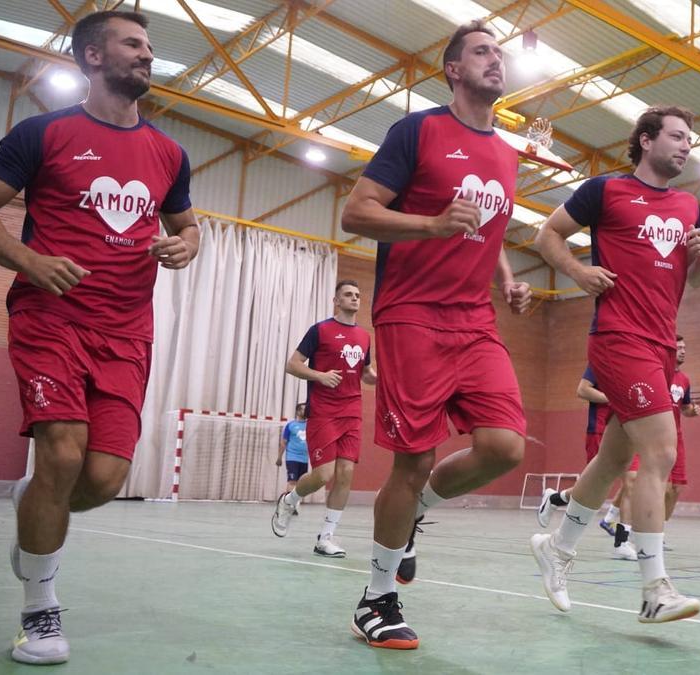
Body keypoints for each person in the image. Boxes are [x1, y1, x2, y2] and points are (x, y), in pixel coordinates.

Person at [0, 10, 198, 665]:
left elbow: (190, 225)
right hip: (51, 316)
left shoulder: (169, 152)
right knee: (60, 454)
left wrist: (185, 245)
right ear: (91, 56)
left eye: (149, 46)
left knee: (104, 478)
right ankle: (40, 608)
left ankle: (33, 517)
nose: (147, 55)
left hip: (127, 331)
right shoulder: (43, 133)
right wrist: (27, 261)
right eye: (133, 44)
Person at [338, 20, 532, 649]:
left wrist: (506, 277)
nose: (495, 61)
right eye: (482, 52)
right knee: (413, 459)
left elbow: (486, 224)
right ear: (453, 69)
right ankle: (377, 597)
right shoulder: (417, 130)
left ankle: (415, 514)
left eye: (499, 54)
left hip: (475, 318)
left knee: (506, 447)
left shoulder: (508, 152)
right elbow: (357, 211)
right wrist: (431, 224)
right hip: (411, 312)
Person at [530, 105, 700, 624]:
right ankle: (655, 587)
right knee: (659, 452)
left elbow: (692, 282)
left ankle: (557, 549)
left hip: (659, 344)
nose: (685, 146)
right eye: (677, 136)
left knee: (613, 461)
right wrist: (576, 272)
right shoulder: (604, 191)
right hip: (618, 338)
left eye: (689, 139)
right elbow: (546, 235)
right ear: (647, 140)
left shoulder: (688, 205)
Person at [271, 281, 377, 557]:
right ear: (336, 300)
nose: (354, 299)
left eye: (357, 295)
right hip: (324, 411)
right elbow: (292, 364)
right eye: (348, 295)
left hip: (352, 411)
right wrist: (319, 375)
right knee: (324, 474)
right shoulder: (320, 330)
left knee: (346, 474)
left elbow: (365, 372)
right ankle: (289, 500)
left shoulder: (365, 337)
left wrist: (379, 378)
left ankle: (326, 538)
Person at [537, 365, 638, 560]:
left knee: (632, 482)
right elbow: (582, 390)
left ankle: (622, 543)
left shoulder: (636, 364)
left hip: (627, 430)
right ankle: (555, 499)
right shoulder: (601, 360)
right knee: (595, 488)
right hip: (600, 430)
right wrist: (612, 398)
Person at [663, 335, 700, 544]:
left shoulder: (684, 380)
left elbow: (684, 407)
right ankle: (650, 531)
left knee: (677, 488)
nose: (683, 351)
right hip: (659, 436)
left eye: (685, 347)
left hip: (677, 437)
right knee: (664, 487)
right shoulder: (660, 373)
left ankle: (659, 529)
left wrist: (692, 411)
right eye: (679, 347)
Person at [276, 403, 310, 503]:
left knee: (301, 483)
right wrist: (279, 458)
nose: (306, 411)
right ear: (298, 411)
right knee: (292, 481)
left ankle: (295, 504)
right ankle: (288, 504)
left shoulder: (310, 425)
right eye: (303, 409)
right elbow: (283, 442)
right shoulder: (290, 425)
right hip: (292, 457)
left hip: (304, 459)